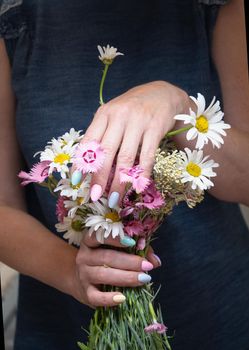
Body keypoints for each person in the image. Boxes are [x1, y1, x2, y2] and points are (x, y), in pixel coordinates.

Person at [0, 0, 249, 349]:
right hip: (65, 326)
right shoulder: (12, 15)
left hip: (221, 315)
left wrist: (181, 109)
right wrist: (73, 271)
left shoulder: (217, 6)